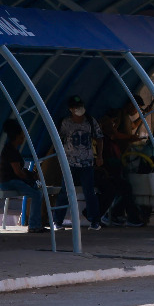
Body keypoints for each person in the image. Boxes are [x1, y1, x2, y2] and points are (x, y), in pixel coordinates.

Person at [56, 94, 103, 230]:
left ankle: (95, 221)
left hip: (87, 163)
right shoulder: (65, 123)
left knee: (90, 192)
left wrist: (99, 156)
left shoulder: (90, 121)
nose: (79, 109)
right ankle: (58, 221)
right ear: (70, 109)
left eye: (80, 106)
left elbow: (99, 138)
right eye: (75, 107)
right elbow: (59, 140)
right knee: (65, 192)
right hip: (69, 163)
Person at [0, 119, 51, 233]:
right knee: (36, 194)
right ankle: (34, 225)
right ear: (16, 137)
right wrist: (29, 179)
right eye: (21, 136)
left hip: (12, 180)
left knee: (36, 191)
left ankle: (35, 223)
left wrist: (29, 175)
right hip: (9, 182)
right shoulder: (10, 151)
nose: (23, 139)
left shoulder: (12, 149)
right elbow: (18, 172)